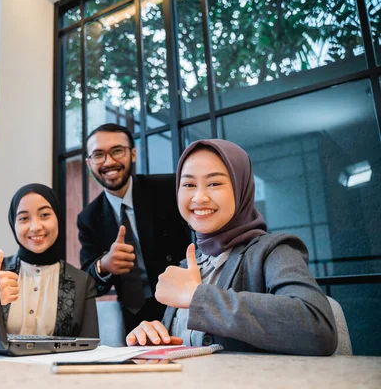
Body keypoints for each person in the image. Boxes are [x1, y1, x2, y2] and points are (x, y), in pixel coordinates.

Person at [125, 139, 338, 356]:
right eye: (188, 185)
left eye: (214, 184)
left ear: (241, 188)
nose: (199, 197)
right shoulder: (189, 265)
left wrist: (197, 297)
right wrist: (155, 337)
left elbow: (318, 329)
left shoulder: (273, 251)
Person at [77, 123, 192, 334]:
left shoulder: (168, 189)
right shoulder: (88, 218)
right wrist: (104, 265)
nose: (109, 161)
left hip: (182, 304)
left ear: (133, 154)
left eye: (117, 151)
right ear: (89, 162)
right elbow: (86, 282)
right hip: (134, 317)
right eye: (98, 155)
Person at [0, 183, 99, 338]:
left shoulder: (82, 282)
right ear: (13, 224)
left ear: (58, 217)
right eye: (23, 218)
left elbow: (89, 347)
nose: (35, 227)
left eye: (44, 215)